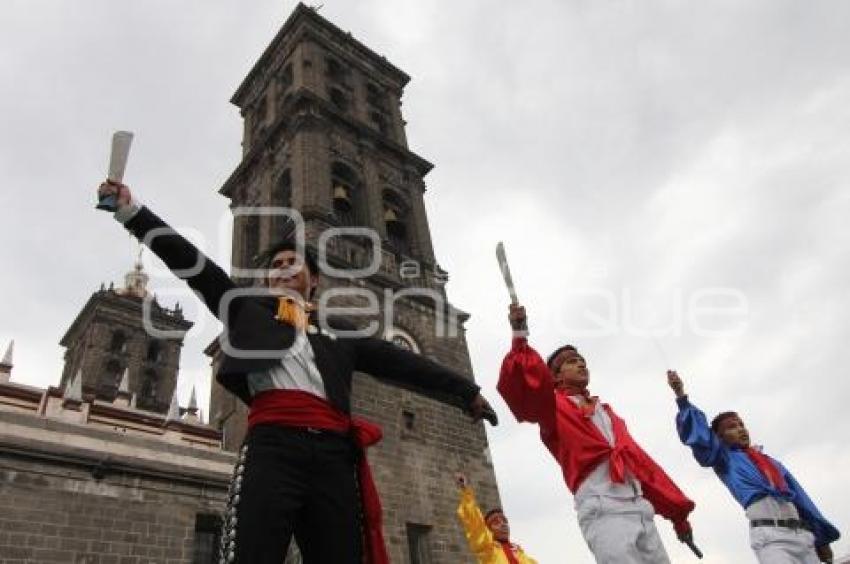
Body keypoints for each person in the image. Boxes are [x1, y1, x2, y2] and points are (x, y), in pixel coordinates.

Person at [96, 181, 497, 564]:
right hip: (274, 445)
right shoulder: (245, 308)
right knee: (252, 551)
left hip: (334, 456)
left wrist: (465, 392)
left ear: (315, 280)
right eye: (277, 265)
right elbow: (192, 264)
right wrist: (131, 212)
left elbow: (403, 364)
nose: (284, 269)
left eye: (294, 263)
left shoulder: (340, 332)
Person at [497, 304, 695, 564]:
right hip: (604, 509)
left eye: (582, 361)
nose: (580, 364)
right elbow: (525, 387)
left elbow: (643, 466)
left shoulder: (609, 414)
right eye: (570, 362)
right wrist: (519, 333)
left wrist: (678, 516)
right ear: (554, 378)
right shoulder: (552, 407)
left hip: (639, 508)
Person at [668, 370, 839, 564]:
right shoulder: (724, 458)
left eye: (742, 424)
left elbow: (801, 498)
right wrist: (681, 395)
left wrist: (822, 540)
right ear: (719, 438)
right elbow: (700, 437)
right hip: (771, 538)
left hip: (803, 536)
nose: (740, 429)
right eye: (731, 427)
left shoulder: (772, 464)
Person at [455, 473, 537, 564]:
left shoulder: (520, 552)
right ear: (488, 531)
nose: (503, 524)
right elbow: (475, 522)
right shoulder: (487, 549)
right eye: (496, 522)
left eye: (505, 521)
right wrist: (466, 491)